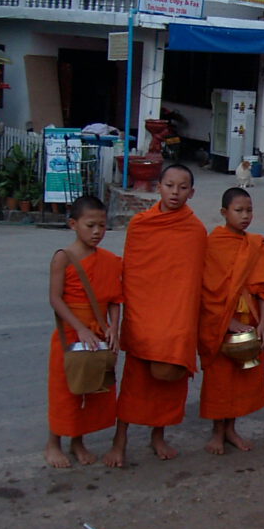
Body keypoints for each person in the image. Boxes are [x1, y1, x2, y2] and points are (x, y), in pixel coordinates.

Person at [108, 163, 206, 466]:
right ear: (158, 187)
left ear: (192, 192)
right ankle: (119, 440)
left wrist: (185, 321)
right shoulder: (141, 224)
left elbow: (194, 279)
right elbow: (134, 274)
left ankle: (158, 435)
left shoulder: (195, 230)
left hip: (178, 316)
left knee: (169, 378)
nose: (175, 193)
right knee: (135, 379)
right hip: (146, 315)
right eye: (169, 186)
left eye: (182, 187)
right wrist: (135, 318)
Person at [197, 188, 264, 455]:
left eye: (249, 211)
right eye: (239, 211)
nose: (245, 216)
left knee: (242, 377)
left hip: (251, 319)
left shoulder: (255, 244)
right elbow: (206, 290)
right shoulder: (212, 245)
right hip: (221, 322)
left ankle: (231, 429)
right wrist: (227, 322)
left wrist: (263, 323)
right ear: (224, 213)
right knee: (220, 380)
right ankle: (217, 432)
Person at [46, 196, 121, 468]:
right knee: (65, 390)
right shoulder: (63, 258)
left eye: (102, 226)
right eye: (90, 226)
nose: (97, 232)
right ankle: (53, 443)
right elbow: (55, 298)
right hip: (70, 334)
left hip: (98, 332)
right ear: (73, 224)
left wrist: (114, 327)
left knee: (91, 388)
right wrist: (79, 329)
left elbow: (114, 298)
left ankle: (78, 442)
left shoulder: (110, 261)